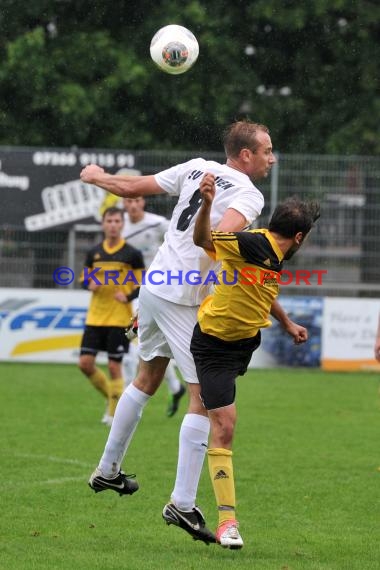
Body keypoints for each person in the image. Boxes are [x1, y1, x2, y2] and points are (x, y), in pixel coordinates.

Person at [80, 120, 308, 544]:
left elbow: (131, 189)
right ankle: (182, 504)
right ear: (245, 155)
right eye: (267, 151)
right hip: (182, 300)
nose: (271, 158)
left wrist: (96, 177)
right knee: (203, 398)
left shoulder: (194, 167)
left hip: (154, 287)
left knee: (146, 379)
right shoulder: (248, 194)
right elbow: (217, 242)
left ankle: (108, 471)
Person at [191, 175, 320, 548]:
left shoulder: (274, 257)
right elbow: (203, 240)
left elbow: (262, 289)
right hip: (213, 345)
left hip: (244, 344)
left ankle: (186, 496)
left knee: (212, 416)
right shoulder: (249, 242)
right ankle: (227, 522)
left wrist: (286, 321)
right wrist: (207, 204)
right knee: (225, 427)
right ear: (298, 237)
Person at [78, 207, 144, 426]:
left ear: (122, 224)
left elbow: (143, 283)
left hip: (118, 319)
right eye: (110, 221)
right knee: (85, 364)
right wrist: (90, 284)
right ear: (103, 224)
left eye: (117, 221)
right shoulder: (94, 252)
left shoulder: (132, 254)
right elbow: (83, 280)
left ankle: (114, 413)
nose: (113, 225)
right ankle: (113, 397)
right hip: (95, 318)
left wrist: (127, 296)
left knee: (114, 366)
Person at [122, 196, 186, 417]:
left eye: (136, 200)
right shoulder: (119, 225)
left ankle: (129, 396)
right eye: (128, 201)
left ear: (143, 203)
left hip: (157, 289)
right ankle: (175, 387)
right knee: (150, 344)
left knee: (136, 342)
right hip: (131, 291)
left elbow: (180, 239)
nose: (132, 204)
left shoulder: (157, 223)